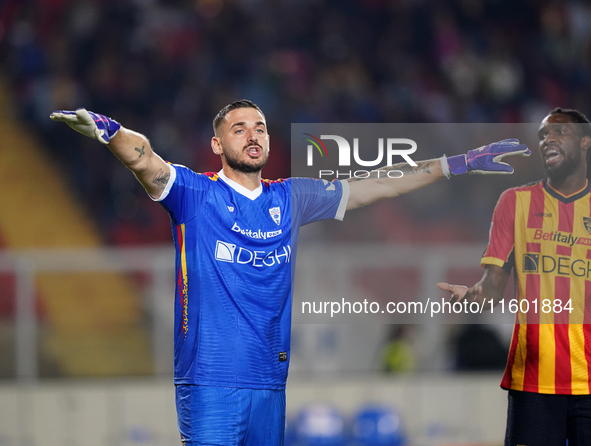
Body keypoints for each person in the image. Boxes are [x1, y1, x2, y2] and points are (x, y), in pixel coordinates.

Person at [50, 100, 530, 446]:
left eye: (259, 127)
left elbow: (375, 185)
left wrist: (454, 163)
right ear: (217, 143)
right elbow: (145, 160)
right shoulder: (194, 194)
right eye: (238, 128)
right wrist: (112, 132)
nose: (252, 134)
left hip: (269, 380)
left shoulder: (291, 197)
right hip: (209, 379)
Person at [438, 108, 591, 446]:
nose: (548, 139)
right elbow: (493, 284)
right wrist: (475, 294)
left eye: (559, 133)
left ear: (584, 143)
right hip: (534, 379)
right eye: (543, 135)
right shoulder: (515, 203)